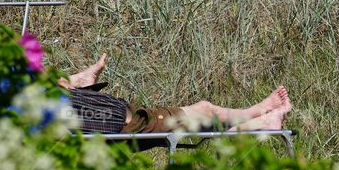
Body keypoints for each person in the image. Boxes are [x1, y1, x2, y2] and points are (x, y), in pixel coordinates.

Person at [59, 54, 292, 134]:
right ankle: (259, 119)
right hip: (128, 124)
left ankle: (256, 119)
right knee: (204, 110)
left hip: (114, 120)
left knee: (201, 114)